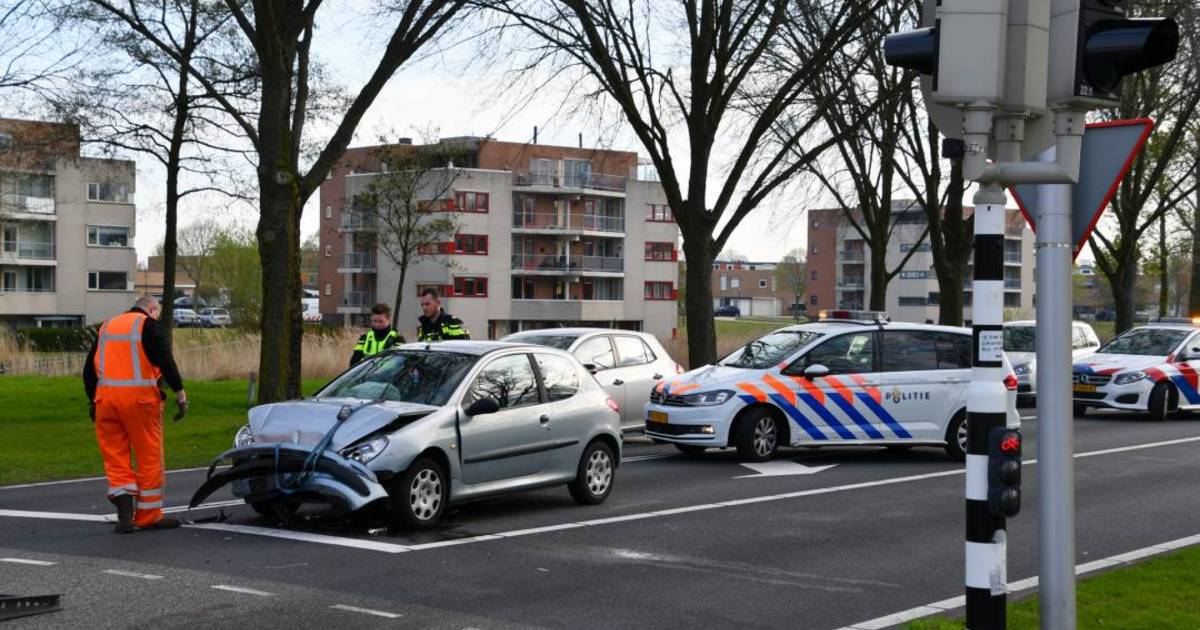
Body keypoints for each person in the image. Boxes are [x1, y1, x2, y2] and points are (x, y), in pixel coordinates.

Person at [83, 295, 187, 533]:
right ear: (151, 309)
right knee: (149, 457)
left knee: (115, 457)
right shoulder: (149, 326)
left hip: (106, 401)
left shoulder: (107, 327)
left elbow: (89, 370)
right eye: (157, 312)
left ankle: (125, 516)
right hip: (140, 402)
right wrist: (180, 394)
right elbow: (166, 361)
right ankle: (149, 515)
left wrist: (93, 402)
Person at [350, 302, 404, 367]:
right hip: (368, 376)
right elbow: (354, 362)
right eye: (374, 321)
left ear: (388, 320)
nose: (377, 324)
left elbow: (403, 363)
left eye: (380, 321)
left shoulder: (398, 339)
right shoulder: (364, 338)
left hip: (390, 376)